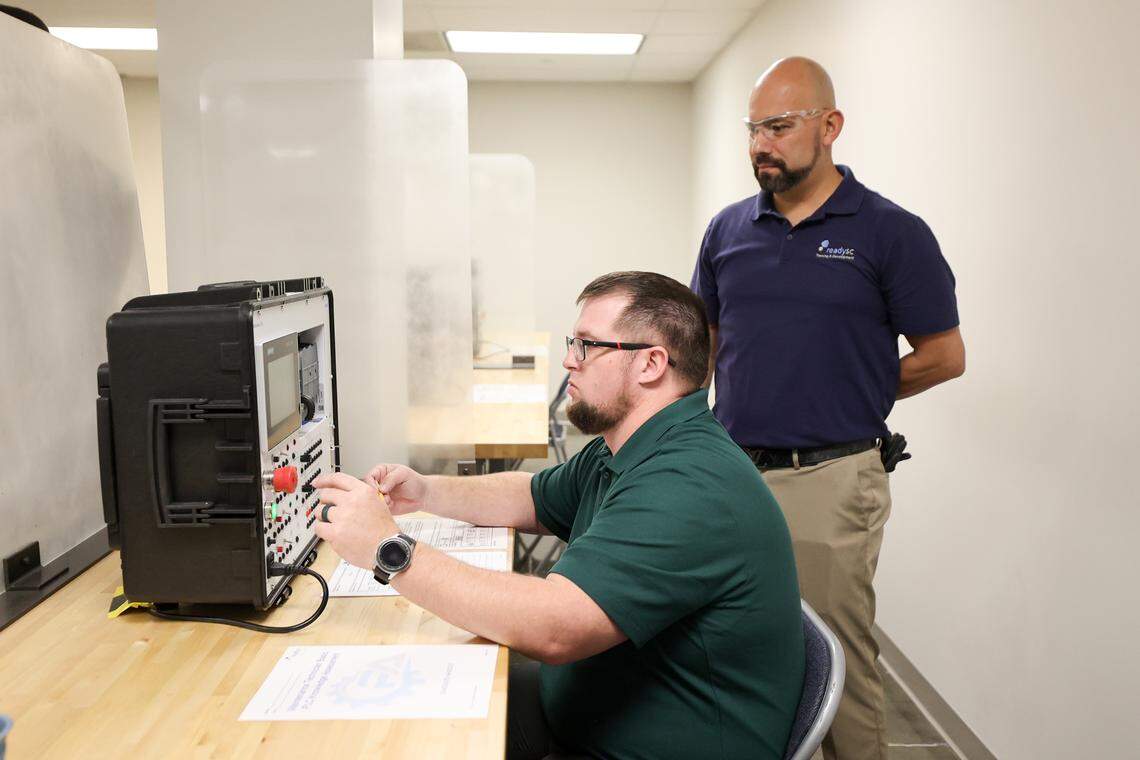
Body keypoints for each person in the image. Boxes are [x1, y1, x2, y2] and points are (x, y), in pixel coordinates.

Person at [314, 271, 805, 760]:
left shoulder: (689, 484)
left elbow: (554, 627)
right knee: (399, 719)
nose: (569, 360)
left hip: (636, 747)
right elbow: (530, 495)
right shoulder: (630, 443)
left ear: (651, 363)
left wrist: (389, 551)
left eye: (588, 345)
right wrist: (424, 492)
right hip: (586, 715)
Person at [690, 57, 965, 760]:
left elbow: (943, 354)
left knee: (835, 665)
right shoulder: (728, 231)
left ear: (830, 126)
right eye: (753, 129)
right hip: (734, 474)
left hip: (831, 478)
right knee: (737, 650)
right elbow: (708, 347)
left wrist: (854, 388)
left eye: (779, 126)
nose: (761, 144)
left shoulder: (890, 232)